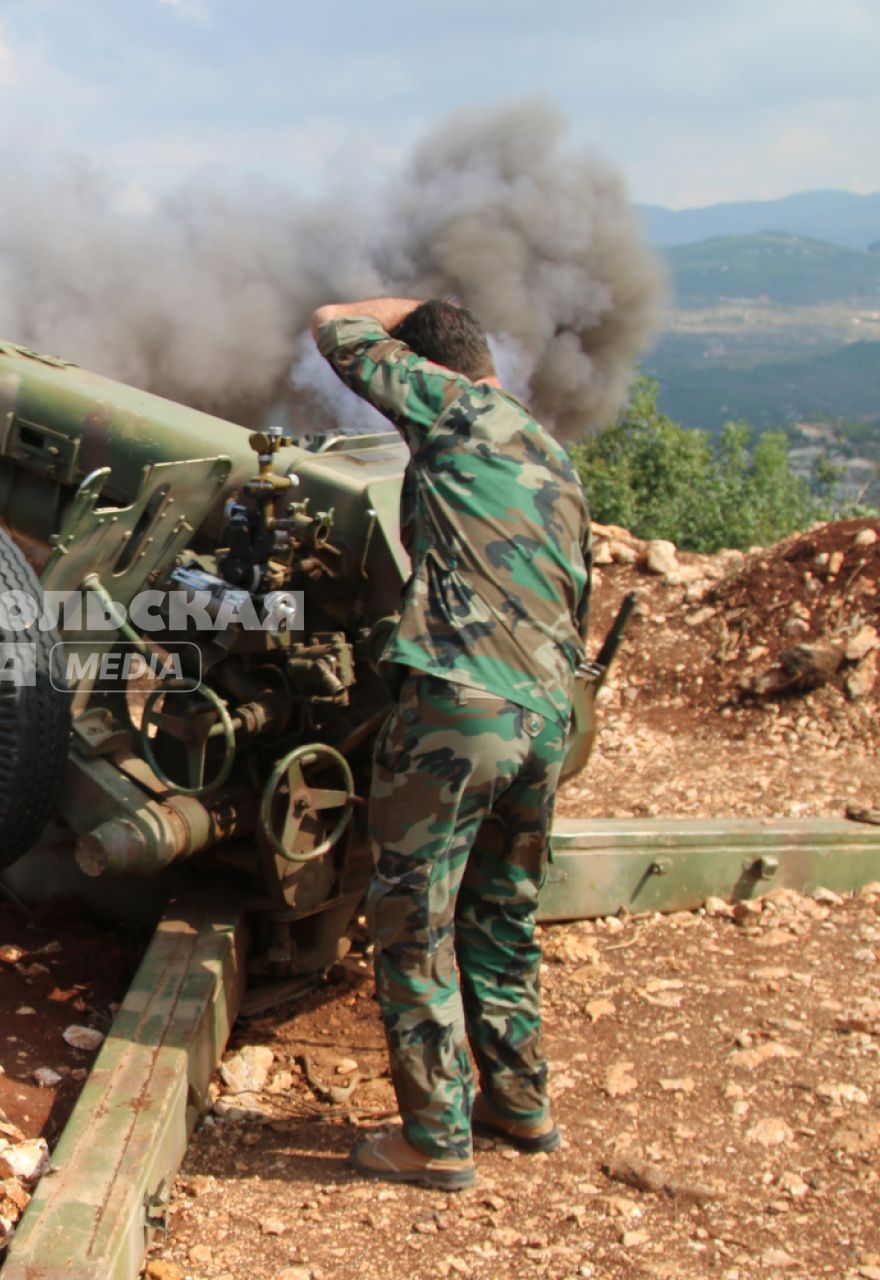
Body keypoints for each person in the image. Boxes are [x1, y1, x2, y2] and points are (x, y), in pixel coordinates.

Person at [309, 297, 593, 1191]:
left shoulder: (452, 406)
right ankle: (519, 1102)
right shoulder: (555, 458)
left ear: (434, 368)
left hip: (461, 709)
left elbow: (334, 327)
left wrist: (407, 310)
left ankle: (434, 1137)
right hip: (546, 718)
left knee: (413, 918)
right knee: (501, 914)